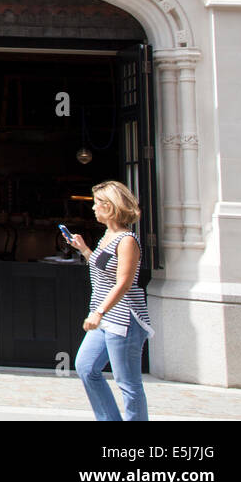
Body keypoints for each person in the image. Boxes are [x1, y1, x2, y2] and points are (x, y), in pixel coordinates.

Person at [67, 180, 154, 421]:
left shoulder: (127, 240)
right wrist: (84, 249)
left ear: (110, 206)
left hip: (123, 318)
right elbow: (103, 269)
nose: (93, 208)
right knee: (86, 367)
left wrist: (100, 312)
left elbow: (123, 283)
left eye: (97, 204)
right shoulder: (108, 235)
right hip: (105, 316)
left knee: (128, 383)